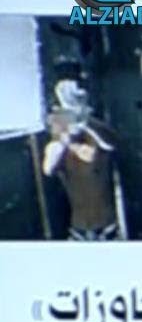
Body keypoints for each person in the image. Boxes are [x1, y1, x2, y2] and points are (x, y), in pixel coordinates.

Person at [42, 79, 124, 241]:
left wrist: (85, 121)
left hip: (107, 228)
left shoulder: (98, 134)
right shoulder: (57, 146)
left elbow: (107, 145)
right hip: (78, 230)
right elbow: (48, 168)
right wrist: (64, 138)